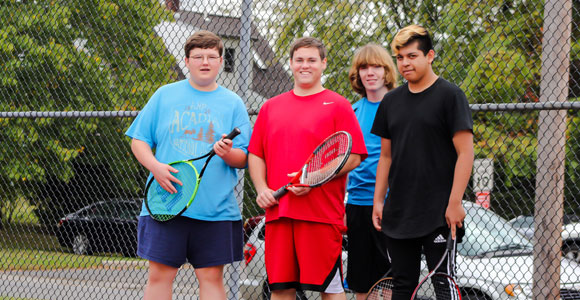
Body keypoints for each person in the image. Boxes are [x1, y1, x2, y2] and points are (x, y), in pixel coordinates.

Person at [125, 30, 251, 300]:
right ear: (187, 60)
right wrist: (156, 167)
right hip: (165, 205)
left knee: (212, 278)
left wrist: (227, 153)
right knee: (160, 276)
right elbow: (139, 141)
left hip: (215, 210)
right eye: (198, 57)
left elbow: (243, 159)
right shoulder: (164, 95)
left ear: (220, 61)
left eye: (211, 56)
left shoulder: (233, 104)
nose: (205, 62)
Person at [248, 37, 367, 300]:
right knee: (281, 289)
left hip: (321, 215)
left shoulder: (338, 105)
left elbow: (355, 156)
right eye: (299, 60)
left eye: (312, 60)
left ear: (323, 64)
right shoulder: (270, 107)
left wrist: (313, 179)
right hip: (279, 214)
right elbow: (256, 154)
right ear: (290, 63)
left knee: (331, 288)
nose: (305, 66)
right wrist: (262, 189)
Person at [371, 25, 474, 300]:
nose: (405, 63)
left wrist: (454, 203)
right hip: (400, 212)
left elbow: (466, 153)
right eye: (400, 57)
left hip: (439, 214)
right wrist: (378, 201)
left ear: (430, 56)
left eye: (412, 56)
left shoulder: (451, 96)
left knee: (443, 284)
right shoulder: (390, 102)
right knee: (402, 286)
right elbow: (386, 156)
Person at [345, 43, 398, 300]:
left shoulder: (401, 106)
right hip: (357, 204)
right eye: (364, 67)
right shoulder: (351, 112)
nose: (370, 72)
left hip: (392, 205)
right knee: (361, 283)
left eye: (376, 66)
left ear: (386, 70)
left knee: (388, 282)